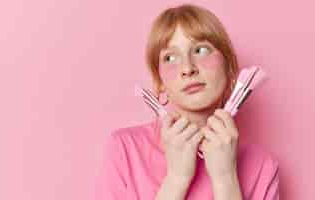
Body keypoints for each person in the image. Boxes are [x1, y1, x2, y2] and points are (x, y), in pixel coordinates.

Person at [94, 4, 279, 200]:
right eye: (170, 57)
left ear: (229, 69)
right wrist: (177, 178)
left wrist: (226, 178)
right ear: (160, 82)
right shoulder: (125, 149)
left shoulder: (263, 167)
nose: (187, 68)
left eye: (200, 50)